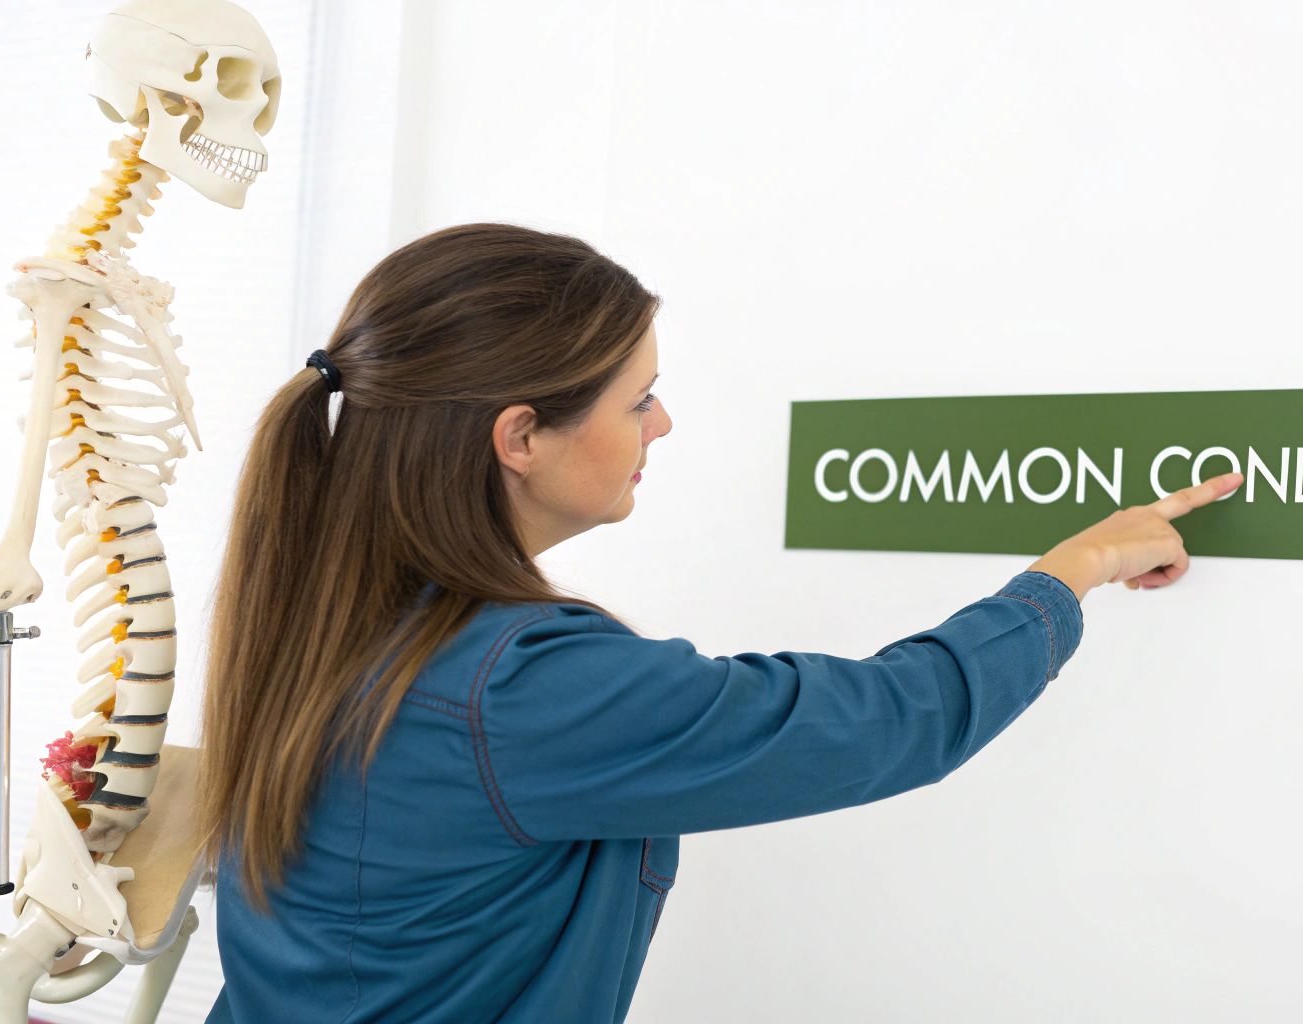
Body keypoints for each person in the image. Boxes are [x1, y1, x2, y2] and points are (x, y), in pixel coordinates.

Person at [197, 222, 1243, 1022]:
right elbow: (888, 719)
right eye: (637, 399)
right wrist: (1075, 568)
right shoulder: (517, 690)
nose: (662, 424)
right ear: (520, 435)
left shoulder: (319, 623)